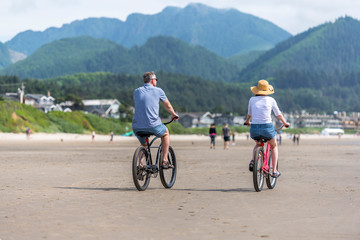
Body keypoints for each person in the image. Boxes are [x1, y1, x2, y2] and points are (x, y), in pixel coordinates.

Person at [244, 79, 290, 178]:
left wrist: (247, 121)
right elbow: (278, 114)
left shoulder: (252, 99)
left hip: (254, 128)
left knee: (258, 144)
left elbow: (249, 114)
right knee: (273, 146)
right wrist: (285, 123)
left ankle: (253, 161)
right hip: (267, 127)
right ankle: (274, 171)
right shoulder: (271, 100)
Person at [132, 72, 179, 168]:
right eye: (156, 79)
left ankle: (140, 164)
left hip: (137, 127)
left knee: (144, 145)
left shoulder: (136, 91)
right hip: (153, 125)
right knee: (165, 133)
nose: (156, 81)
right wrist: (173, 114)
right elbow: (168, 105)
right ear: (153, 80)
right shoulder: (158, 91)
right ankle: (165, 160)